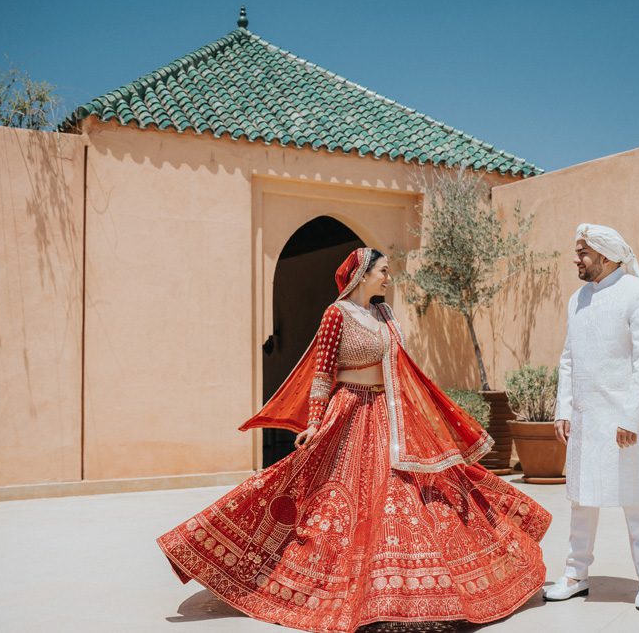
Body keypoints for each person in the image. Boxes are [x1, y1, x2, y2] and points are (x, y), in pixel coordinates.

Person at [157, 247, 552, 633]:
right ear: (362, 275)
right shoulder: (337, 314)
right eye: (383, 271)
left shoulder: (384, 315)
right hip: (349, 412)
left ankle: (402, 595)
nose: (388, 277)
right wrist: (314, 421)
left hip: (390, 414)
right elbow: (322, 373)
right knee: (328, 497)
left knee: (406, 498)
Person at [543, 224, 639, 611]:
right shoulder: (577, 299)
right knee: (581, 500)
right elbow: (568, 358)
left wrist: (632, 417)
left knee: (635, 501)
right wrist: (564, 409)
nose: (576, 259)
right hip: (584, 419)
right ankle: (575, 574)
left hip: (622, 422)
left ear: (607, 256)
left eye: (583, 252)